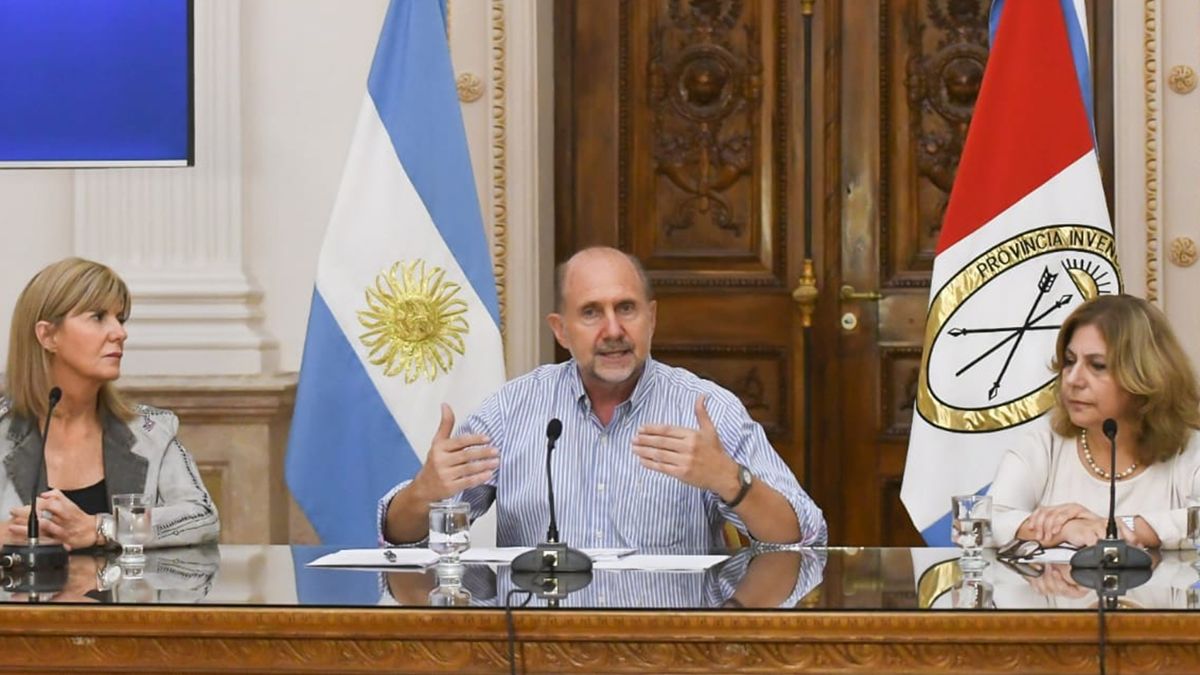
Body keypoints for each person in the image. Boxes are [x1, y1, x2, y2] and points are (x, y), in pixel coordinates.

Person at [380, 247, 826, 549]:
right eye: (591, 312)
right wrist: (424, 492)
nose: (613, 330)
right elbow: (404, 539)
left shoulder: (706, 410)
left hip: (666, 657)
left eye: (626, 309)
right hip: (539, 655)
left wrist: (730, 480)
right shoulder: (511, 411)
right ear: (560, 330)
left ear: (651, 319)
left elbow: (802, 539)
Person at [0, 257, 219, 551]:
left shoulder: (150, 431)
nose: (119, 333)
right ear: (48, 335)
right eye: (98, 316)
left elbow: (202, 518)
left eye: (121, 319)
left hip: (122, 597)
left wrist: (102, 528)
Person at [990, 294, 1200, 550]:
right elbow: (985, 520)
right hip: (1060, 590)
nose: (1073, 380)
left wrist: (1122, 528)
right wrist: (1069, 529)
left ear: (1145, 376)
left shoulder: (1190, 449)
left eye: (1097, 365)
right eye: (1069, 361)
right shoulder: (1044, 443)